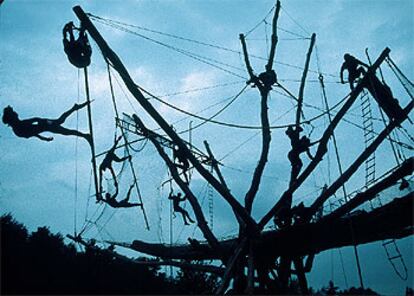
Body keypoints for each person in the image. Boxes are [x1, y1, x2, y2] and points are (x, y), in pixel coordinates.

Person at [2, 102, 91, 143]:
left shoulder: (19, 125)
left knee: (62, 125)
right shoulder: (18, 129)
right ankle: (74, 108)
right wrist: (43, 138)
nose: (17, 115)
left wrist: (46, 122)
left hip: (44, 124)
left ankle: (85, 135)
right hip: (44, 126)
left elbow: (35, 120)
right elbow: (32, 133)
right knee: (62, 124)